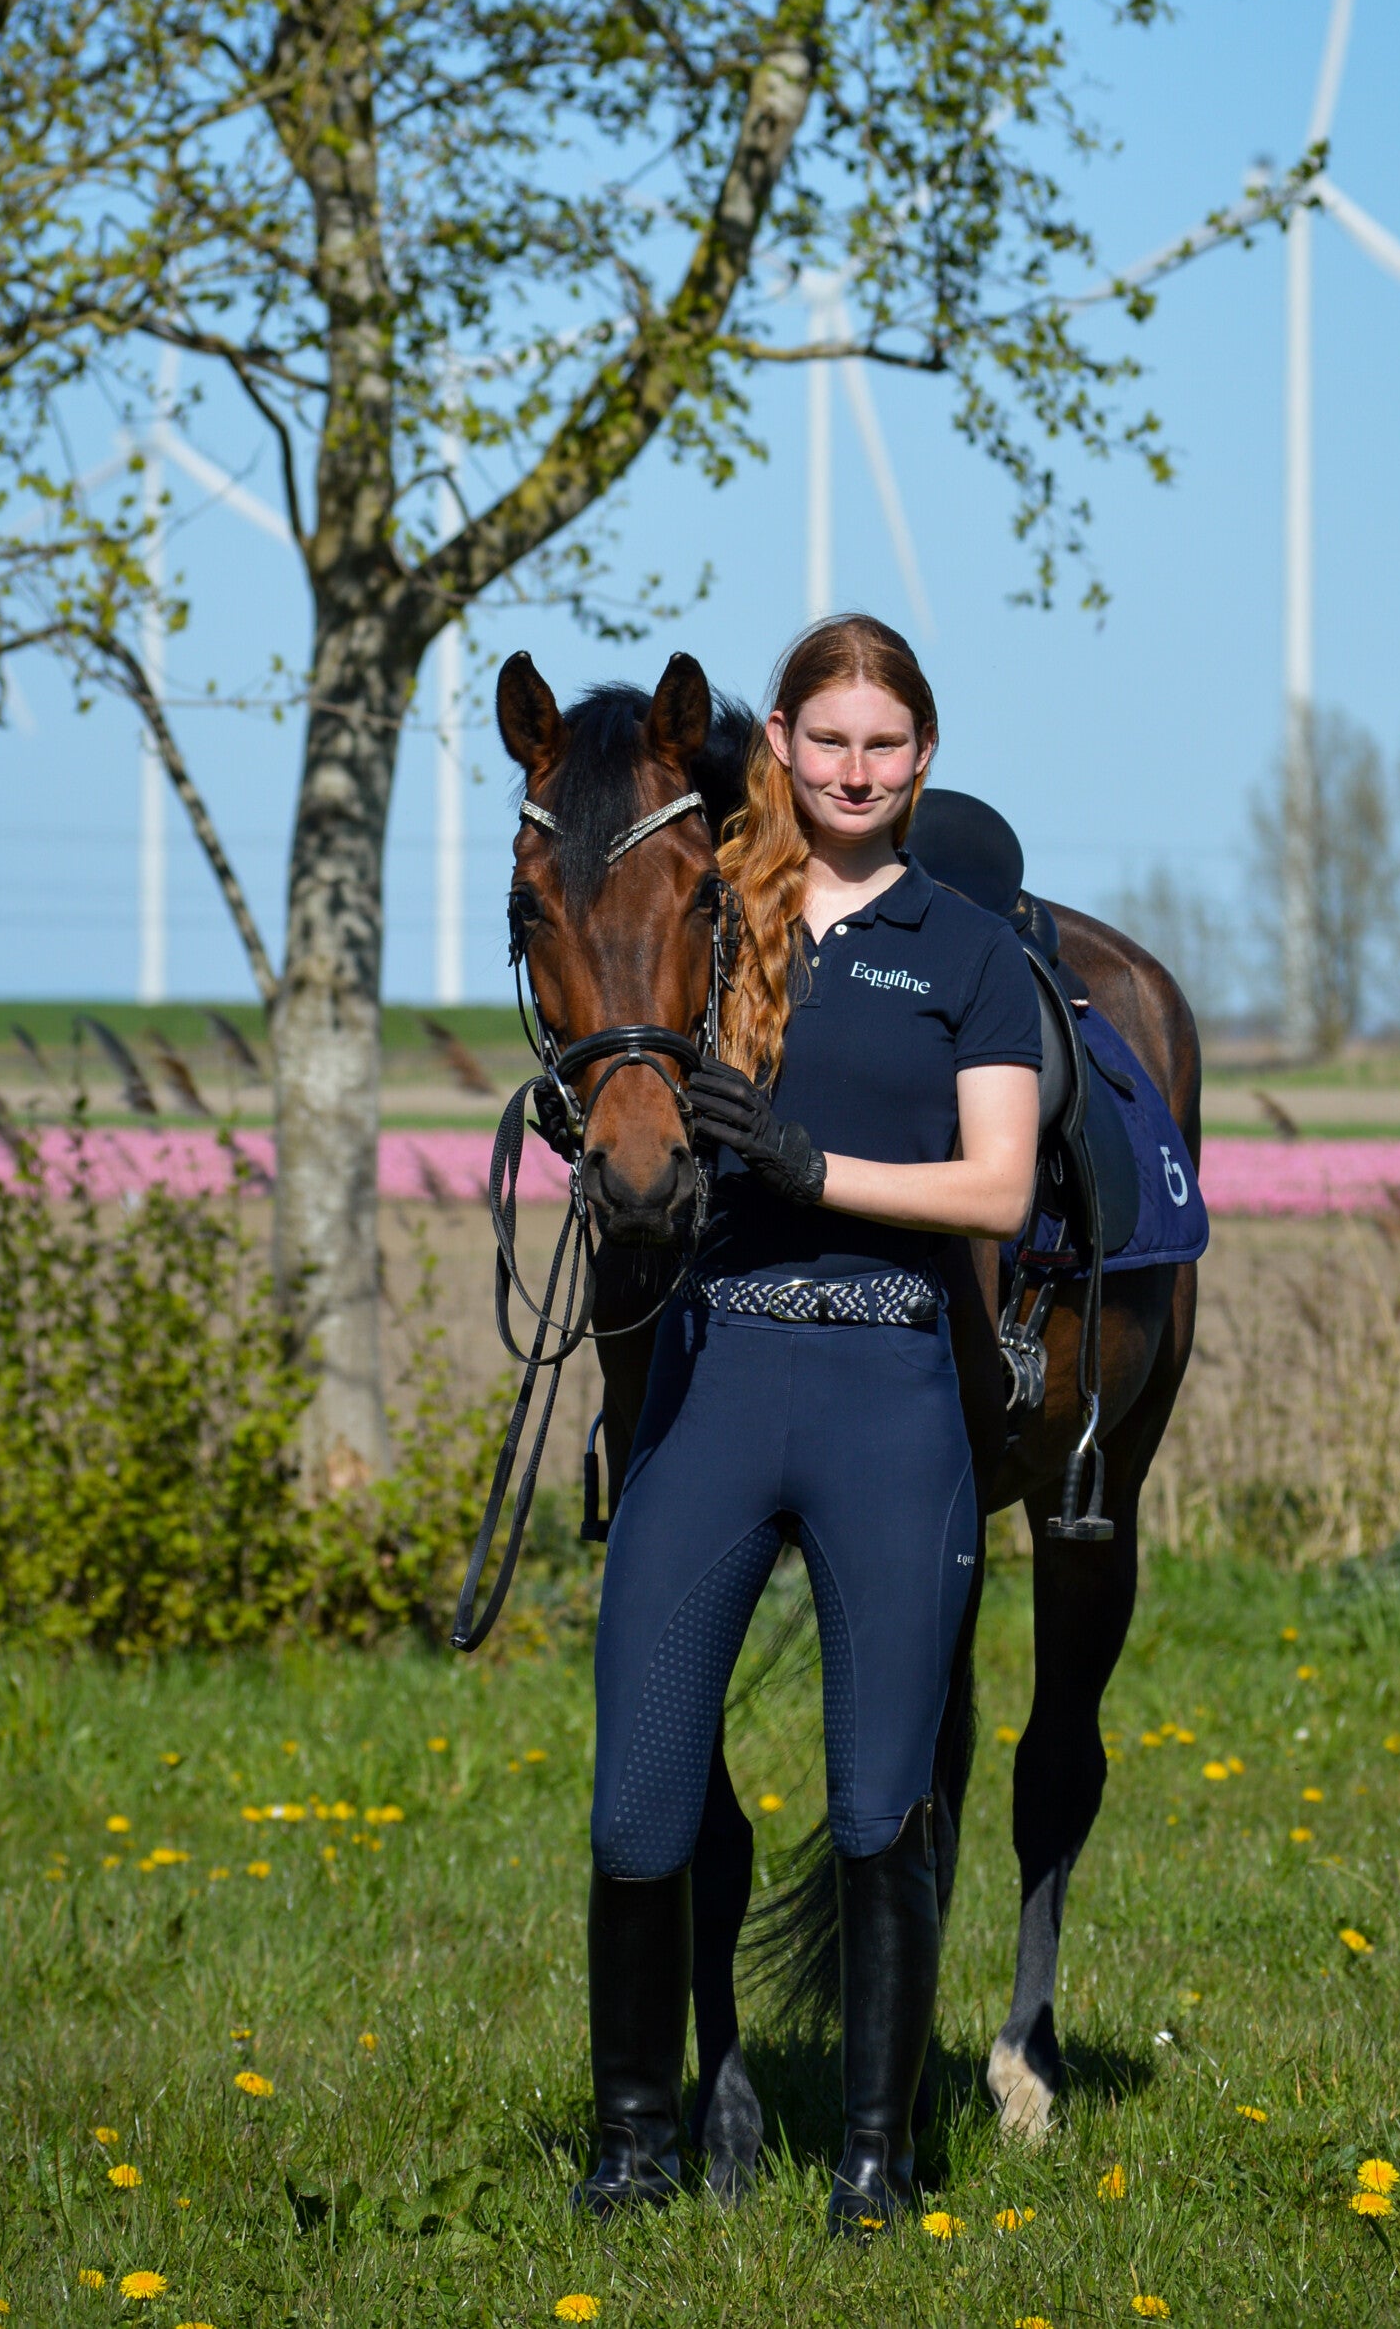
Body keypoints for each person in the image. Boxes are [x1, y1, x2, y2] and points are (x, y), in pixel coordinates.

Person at [576, 613, 1042, 2233]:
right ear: (776, 743)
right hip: (714, 1383)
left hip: (890, 1392)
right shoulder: (712, 909)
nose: (854, 769)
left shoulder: (967, 951)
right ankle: (630, 2152)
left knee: (876, 1804)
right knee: (637, 1799)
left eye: (884, 743)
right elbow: (601, 984)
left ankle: (874, 2165)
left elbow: (999, 1187)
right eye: (826, 739)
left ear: (924, 754)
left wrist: (808, 1168)